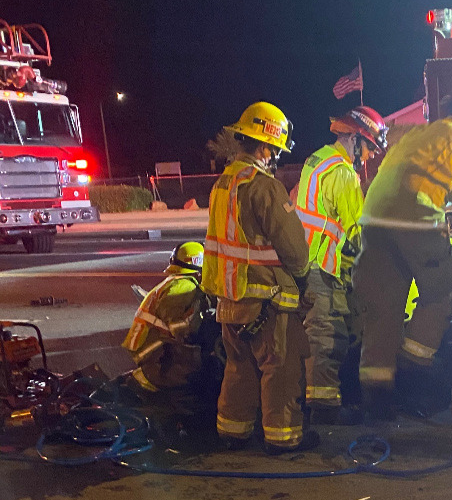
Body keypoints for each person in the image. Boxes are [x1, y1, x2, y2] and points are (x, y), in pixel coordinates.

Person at [353, 91, 452, 420]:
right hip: (415, 219)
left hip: (373, 222)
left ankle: (377, 401)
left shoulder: (417, 134)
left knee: (384, 311)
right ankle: (413, 368)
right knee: (446, 288)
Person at [201, 101, 318, 455]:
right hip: (267, 299)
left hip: (230, 297)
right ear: (265, 147)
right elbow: (294, 247)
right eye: (275, 150)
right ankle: (284, 439)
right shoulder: (264, 187)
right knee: (280, 369)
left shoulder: (223, 184)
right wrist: (302, 277)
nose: (275, 157)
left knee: (239, 367)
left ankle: (233, 432)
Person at [294, 105, 387, 424]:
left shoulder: (318, 159)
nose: (371, 155)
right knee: (327, 337)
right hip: (322, 265)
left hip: (309, 261)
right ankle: (325, 409)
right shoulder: (343, 173)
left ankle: (318, 401)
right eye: (369, 146)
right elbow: (356, 230)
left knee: (321, 334)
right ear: (355, 139)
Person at [121, 241, 219, 439]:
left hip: (152, 352)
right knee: (205, 370)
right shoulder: (184, 287)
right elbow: (179, 329)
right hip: (157, 359)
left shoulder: (176, 282)